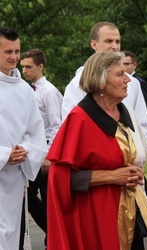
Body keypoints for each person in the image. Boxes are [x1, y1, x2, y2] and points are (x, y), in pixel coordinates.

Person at [46, 51, 147, 249]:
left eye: (126, 73)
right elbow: (61, 177)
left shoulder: (126, 113)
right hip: (96, 216)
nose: (128, 80)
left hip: (132, 210)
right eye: (119, 75)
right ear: (99, 82)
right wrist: (112, 177)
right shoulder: (79, 119)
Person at [62, 22, 147, 139]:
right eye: (109, 41)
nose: (115, 46)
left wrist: (134, 148)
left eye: (117, 41)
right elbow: (72, 124)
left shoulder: (132, 82)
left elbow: (143, 123)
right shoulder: (79, 83)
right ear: (94, 44)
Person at [0, 26, 47, 249]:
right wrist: (5, 154)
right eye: (8, 51)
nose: (14, 57)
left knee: (12, 235)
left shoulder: (25, 90)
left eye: (17, 51)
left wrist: (25, 150)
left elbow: (35, 131)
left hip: (15, 178)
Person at [19, 48, 63, 245]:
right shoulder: (27, 90)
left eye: (29, 67)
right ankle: (52, 233)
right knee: (29, 197)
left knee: (48, 198)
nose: (25, 71)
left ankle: (54, 238)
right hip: (31, 150)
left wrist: (49, 155)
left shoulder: (49, 92)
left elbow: (57, 126)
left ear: (40, 66)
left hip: (46, 150)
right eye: (23, 67)